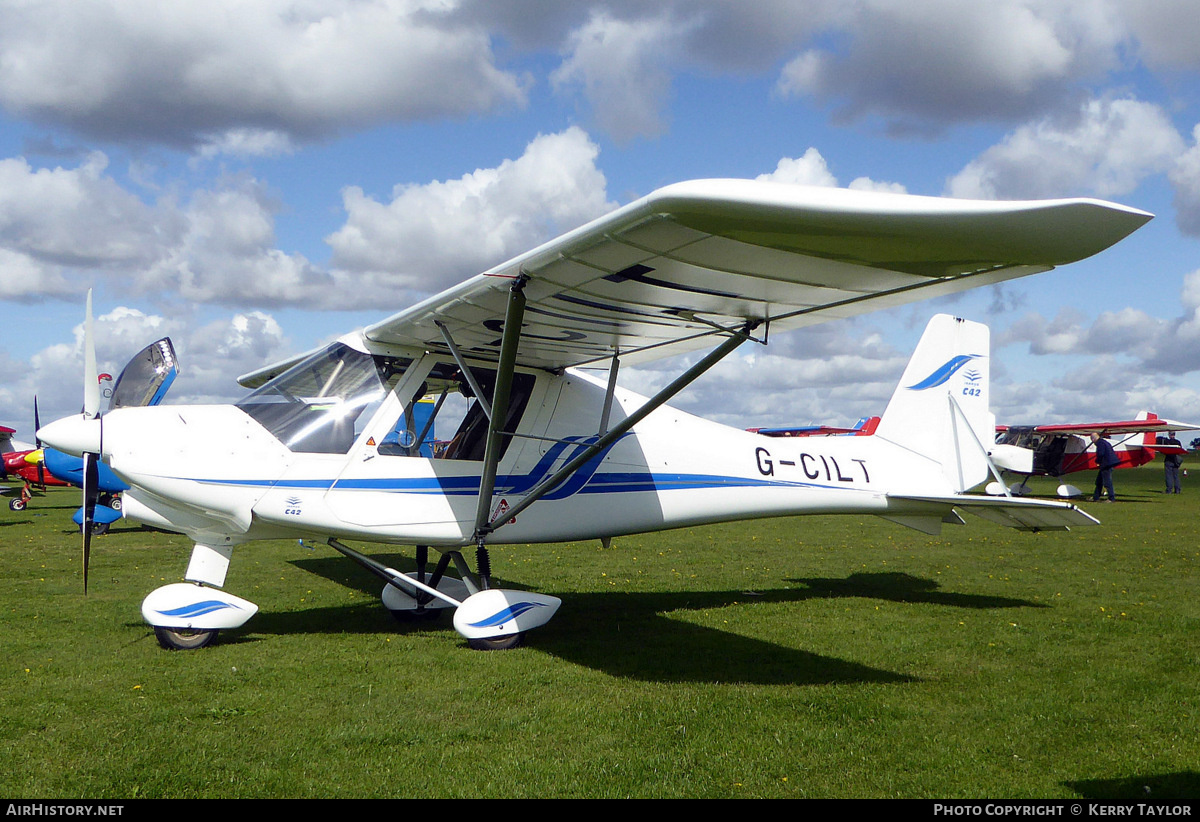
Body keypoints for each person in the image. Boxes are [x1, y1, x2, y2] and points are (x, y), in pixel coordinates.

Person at [1090, 432, 1119, 502]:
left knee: (1107, 482)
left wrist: (1097, 461)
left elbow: (1101, 454)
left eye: (1092, 439)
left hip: (1106, 464)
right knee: (1099, 481)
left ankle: (1111, 498)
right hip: (1107, 463)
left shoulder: (1100, 444)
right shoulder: (1104, 442)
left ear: (1094, 438)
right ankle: (1096, 497)